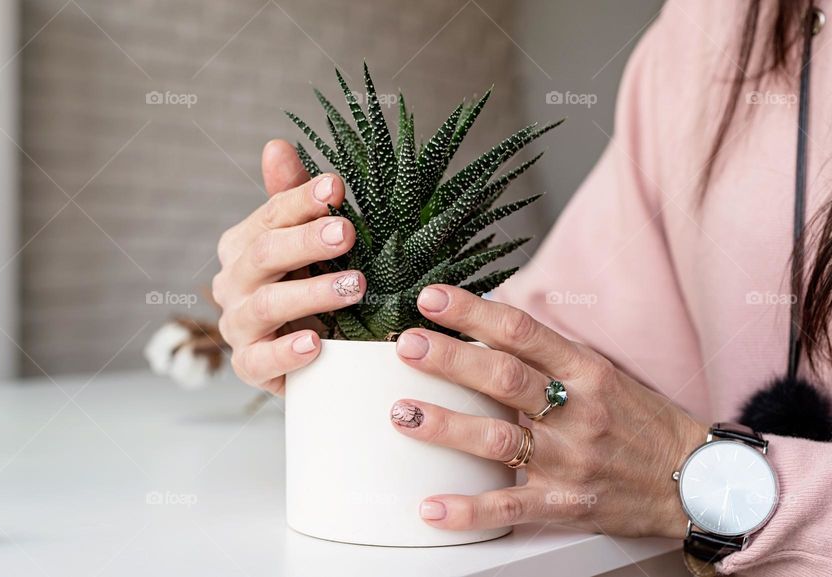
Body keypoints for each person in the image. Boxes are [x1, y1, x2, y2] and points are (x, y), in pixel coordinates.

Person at [211, 1, 832, 574]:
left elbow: (659, 454)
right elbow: (571, 345)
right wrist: (333, 331)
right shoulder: (714, 25)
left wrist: (719, 483)